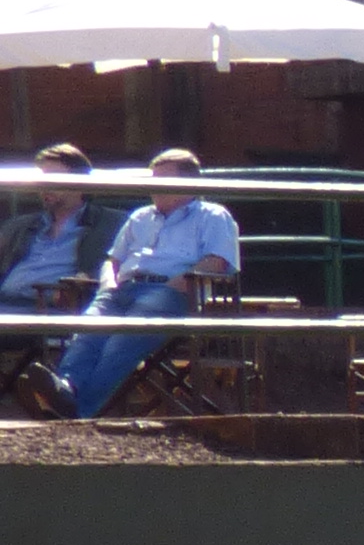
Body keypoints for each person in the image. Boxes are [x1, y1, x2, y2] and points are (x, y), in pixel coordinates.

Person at [52, 149, 238, 418]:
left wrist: (174, 285)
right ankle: (64, 388)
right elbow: (111, 260)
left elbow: (217, 263)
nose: (153, 185)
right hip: (122, 288)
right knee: (88, 332)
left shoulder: (213, 216)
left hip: (173, 292)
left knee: (120, 343)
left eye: (161, 179)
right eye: (152, 178)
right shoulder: (140, 217)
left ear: (190, 184)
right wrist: (108, 284)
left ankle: (77, 411)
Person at [1, 146, 97, 308]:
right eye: (43, 179)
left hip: (48, 308)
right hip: (5, 302)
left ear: (80, 182)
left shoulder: (109, 223)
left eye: (53, 178)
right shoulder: (21, 225)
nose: (45, 187)